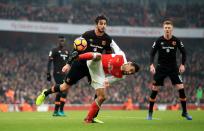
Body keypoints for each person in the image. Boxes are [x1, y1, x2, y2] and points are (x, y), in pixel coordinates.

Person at [35, 15, 132, 123]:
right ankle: (45, 93)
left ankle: (92, 117)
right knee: (64, 87)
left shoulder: (107, 39)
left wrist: (107, 68)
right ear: (96, 24)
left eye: (105, 24)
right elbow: (76, 50)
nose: (103, 26)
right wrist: (68, 64)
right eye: (101, 23)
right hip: (80, 64)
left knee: (101, 91)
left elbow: (108, 55)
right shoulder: (87, 35)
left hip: (94, 67)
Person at [147, 20, 192, 120]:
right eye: (166, 28)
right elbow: (152, 53)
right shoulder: (159, 40)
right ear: (163, 29)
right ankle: (150, 113)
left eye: (169, 28)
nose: (167, 29)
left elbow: (184, 52)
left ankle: (184, 112)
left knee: (181, 87)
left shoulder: (176, 40)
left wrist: (183, 65)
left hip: (173, 68)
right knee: (155, 89)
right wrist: (151, 65)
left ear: (172, 29)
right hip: (161, 67)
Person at [47, 36, 69, 116]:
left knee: (64, 92)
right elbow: (49, 62)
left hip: (65, 74)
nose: (62, 42)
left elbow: (70, 62)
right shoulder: (54, 50)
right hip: (57, 73)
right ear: (58, 41)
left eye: (63, 41)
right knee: (61, 91)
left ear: (64, 41)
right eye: (60, 41)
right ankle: (58, 111)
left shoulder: (67, 51)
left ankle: (58, 111)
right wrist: (48, 73)